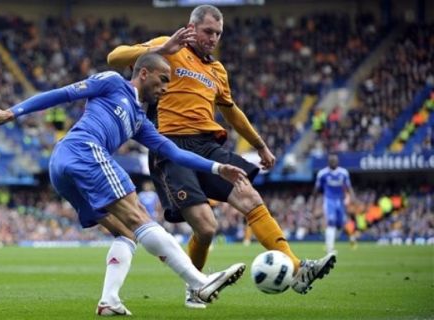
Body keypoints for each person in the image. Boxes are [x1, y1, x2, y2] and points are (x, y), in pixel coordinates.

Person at [0, 53, 247, 316]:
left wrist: (217, 167)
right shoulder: (114, 82)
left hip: (64, 165)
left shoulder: (140, 121)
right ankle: (199, 283)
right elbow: (63, 93)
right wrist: (12, 112)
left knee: (126, 232)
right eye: (163, 79)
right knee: (139, 215)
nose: (166, 88)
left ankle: (109, 300)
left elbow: (174, 152)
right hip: (83, 149)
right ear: (143, 73)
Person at [107, 4, 336, 308]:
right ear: (191, 28)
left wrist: (260, 145)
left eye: (218, 33)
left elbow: (232, 112)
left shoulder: (217, 70)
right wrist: (164, 47)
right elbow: (114, 57)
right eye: (208, 31)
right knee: (206, 227)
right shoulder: (169, 48)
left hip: (207, 145)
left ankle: (296, 268)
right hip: (171, 147)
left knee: (250, 198)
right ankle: (195, 287)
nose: (213, 38)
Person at [312, 153, 357, 253]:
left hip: (340, 201)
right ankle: (330, 248)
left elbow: (349, 187)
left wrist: (353, 198)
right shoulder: (322, 173)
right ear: (328, 162)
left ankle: (352, 238)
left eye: (335, 160)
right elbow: (316, 189)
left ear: (338, 161)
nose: (333, 162)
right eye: (331, 160)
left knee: (341, 224)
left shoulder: (344, 173)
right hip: (329, 200)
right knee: (331, 222)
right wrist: (313, 202)